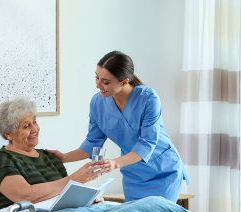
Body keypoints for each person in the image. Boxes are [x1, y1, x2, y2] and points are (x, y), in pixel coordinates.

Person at [48, 51, 190, 202]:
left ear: (124, 81)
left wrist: (114, 163)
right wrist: (64, 157)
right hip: (133, 175)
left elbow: (147, 144)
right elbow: (92, 143)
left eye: (105, 81)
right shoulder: (97, 103)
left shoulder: (148, 98)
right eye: (96, 77)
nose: (98, 85)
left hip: (163, 171)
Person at [0, 97, 103, 212]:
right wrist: (74, 179)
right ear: (8, 134)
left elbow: (64, 196)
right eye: (26, 126)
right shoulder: (1, 160)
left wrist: (87, 200)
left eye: (34, 122)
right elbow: (25, 196)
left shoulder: (49, 157)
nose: (35, 129)